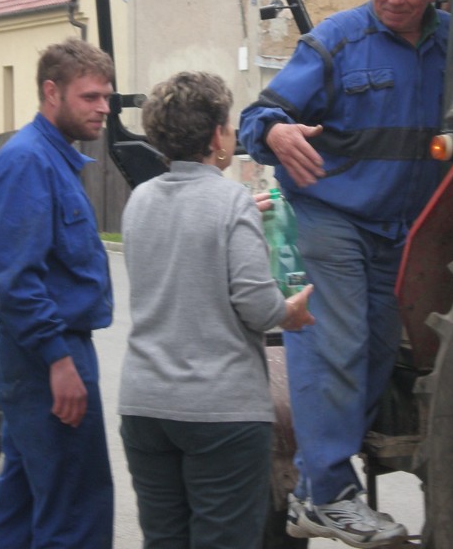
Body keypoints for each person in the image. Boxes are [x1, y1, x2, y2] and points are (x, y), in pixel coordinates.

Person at [238, 0, 451, 548]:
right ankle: (327, 492)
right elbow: (261, 115)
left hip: (400, 227)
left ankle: (314, 488)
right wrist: (274, 133)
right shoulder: (337, 42)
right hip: (332, 216)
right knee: (338, 339)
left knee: (379, 353)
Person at [119, 70, 316, 549]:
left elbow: (183, 252)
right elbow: (257, 307)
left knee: (164, 539)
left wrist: (245, 211)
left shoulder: (140, 200)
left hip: (145, 406)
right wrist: (291, 310)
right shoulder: (231, 203)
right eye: (228, 126)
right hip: (220, 413)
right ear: (216, 136)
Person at [0, 38, 116, 549]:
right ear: (51, 92)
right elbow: (14, 279)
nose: (103, 107)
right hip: (47, 354)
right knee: (74, 513)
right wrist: (60, 362)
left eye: (106, 96)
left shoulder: (53, 158)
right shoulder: (29, 162)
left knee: (25, 503)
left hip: (41, 352)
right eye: (91, 97)